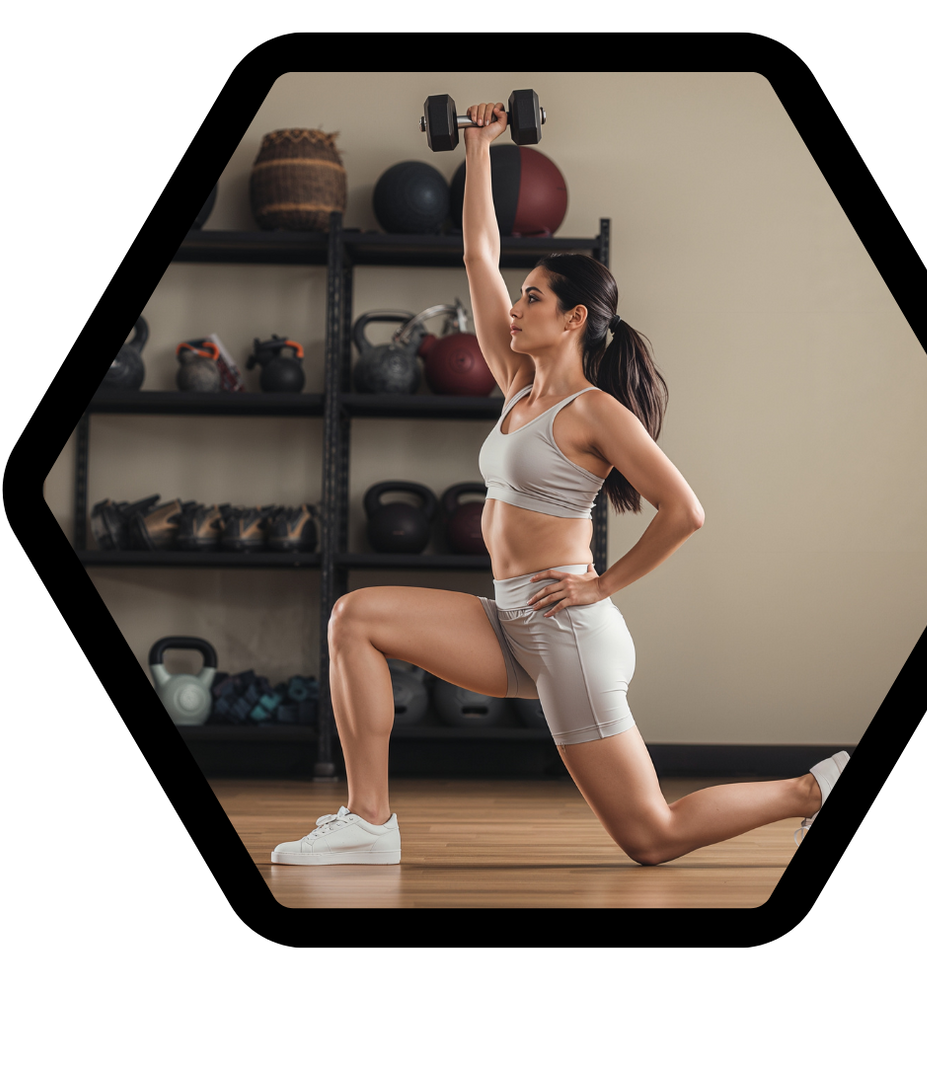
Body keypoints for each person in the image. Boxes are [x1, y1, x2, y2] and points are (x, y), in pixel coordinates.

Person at [271, 102, 849, 867]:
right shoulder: (516, 386)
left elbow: (686, 511)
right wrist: (478, 149)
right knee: (356, 617)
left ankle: (815, 790)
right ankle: (368, 821)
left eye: (534, 297)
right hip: (510, 623)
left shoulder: (596, 412)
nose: (515, 306)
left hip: (567, 633)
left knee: (652, 837)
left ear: (576, 318)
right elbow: (480, 254)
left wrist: (602, 585)